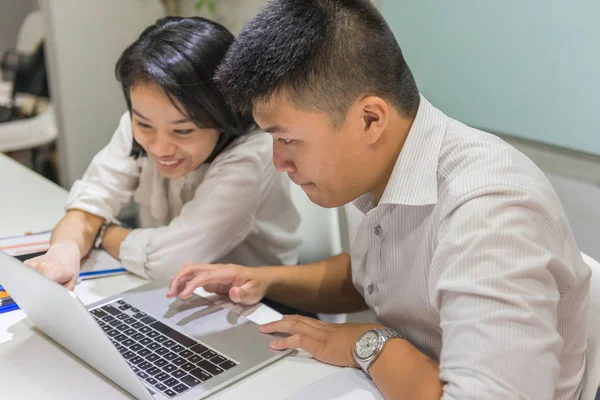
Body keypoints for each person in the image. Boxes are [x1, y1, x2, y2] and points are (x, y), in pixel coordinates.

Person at [166, 1, 591, 399]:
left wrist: (369, 344)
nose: (280, 161)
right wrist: (263, 279)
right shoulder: (380, 164)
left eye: (288, 139)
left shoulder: (490, 210)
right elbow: (379, 274)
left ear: (370, 119)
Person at [25, 17, 300, 289]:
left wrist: (102, 230)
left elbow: (171, 262)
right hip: (174, 293)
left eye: (182, 131)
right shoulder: (137, 127)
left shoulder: (251, 154)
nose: (159, 148)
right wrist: (63, 252)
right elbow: (89, 204)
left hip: (265, 304)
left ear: (223, 113)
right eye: (143, 124)